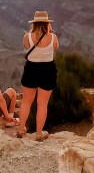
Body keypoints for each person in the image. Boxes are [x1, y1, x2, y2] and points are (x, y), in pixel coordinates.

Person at [17, 10, 59, 141]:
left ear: (34, 23)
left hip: (31, 69)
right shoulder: (53, 37)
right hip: (47, 70)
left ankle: (20, 129)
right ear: (47, 23)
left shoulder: (27, 37)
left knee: (26, 102)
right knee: (42, 104)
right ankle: (39, 133)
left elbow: (26, 46)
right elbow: (55, 48)